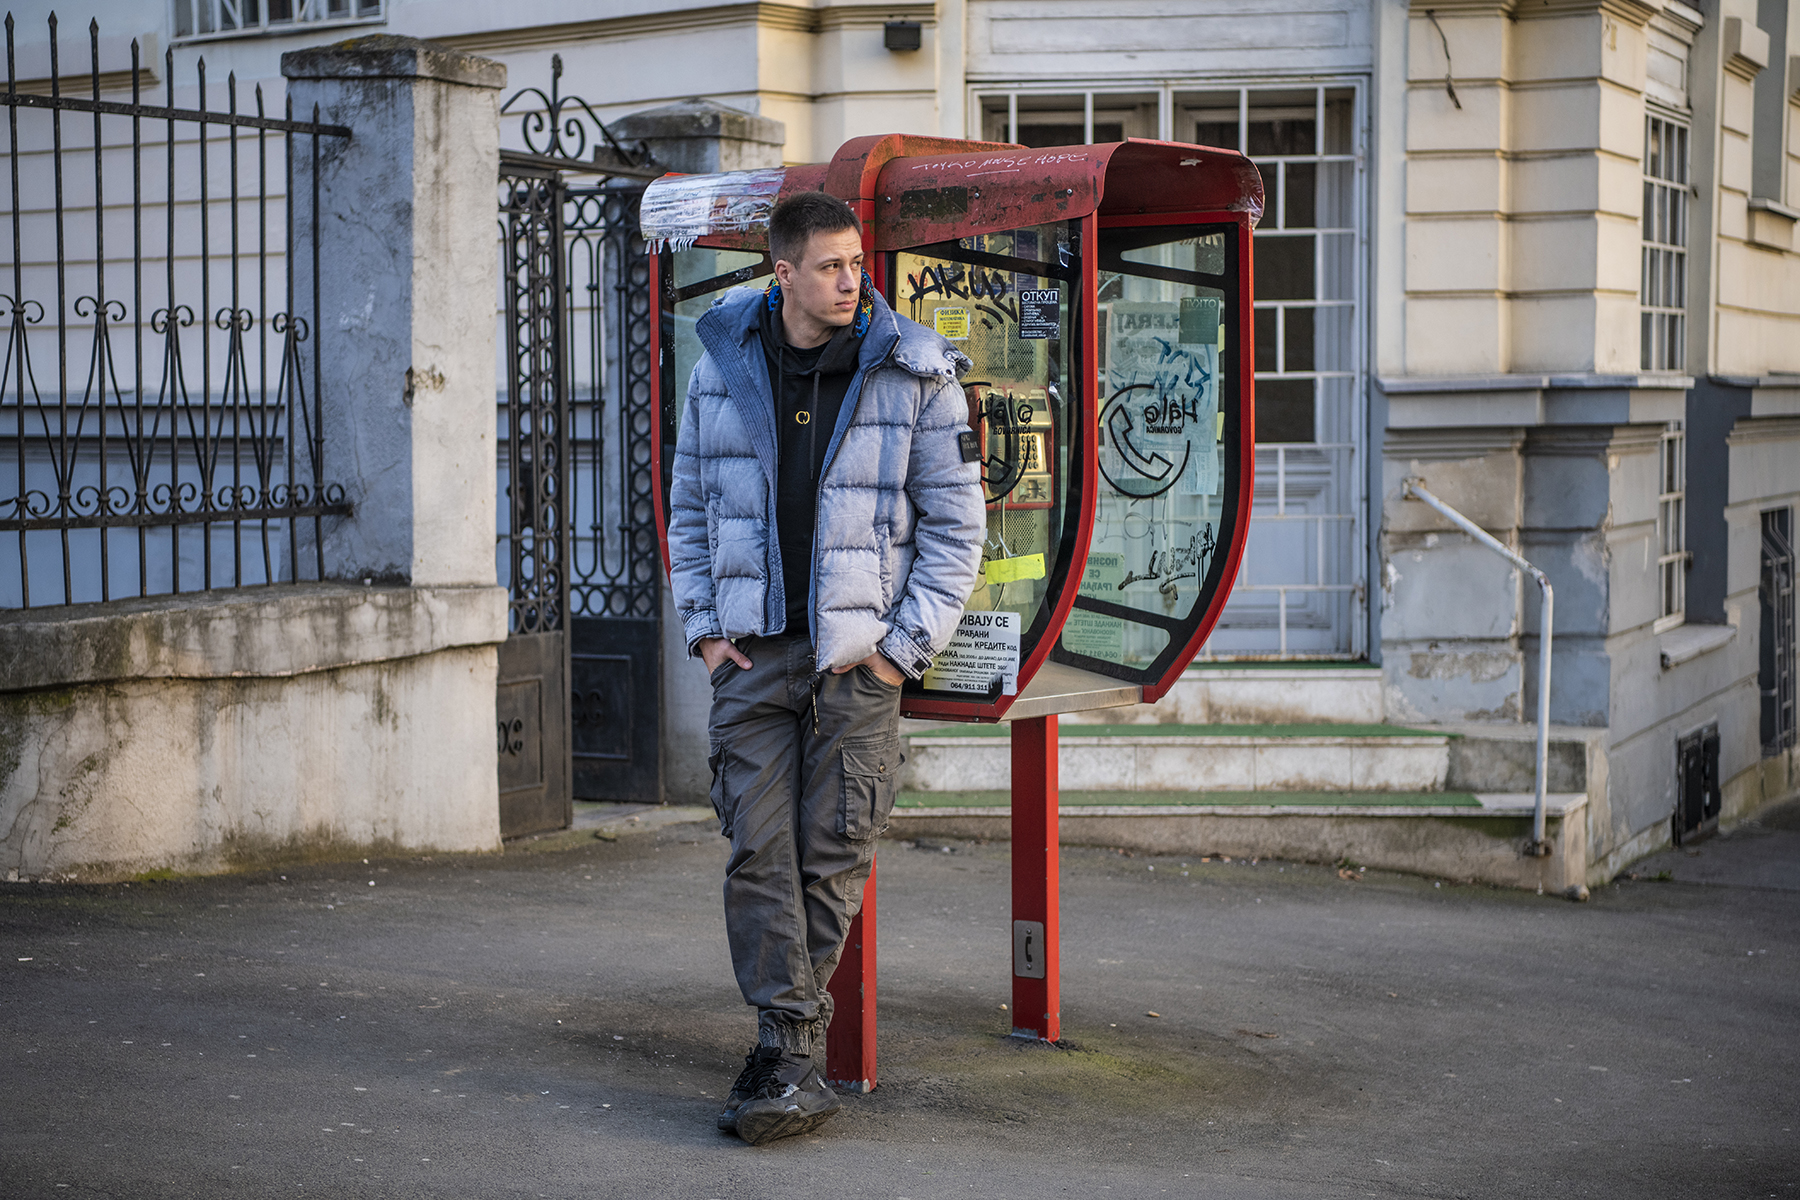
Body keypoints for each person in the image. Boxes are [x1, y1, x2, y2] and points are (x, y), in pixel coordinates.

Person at [666, 191, 985, 1146]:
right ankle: (790, 1052)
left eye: (858, 264)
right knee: (757, 851)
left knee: (830, 852)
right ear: (784, 273)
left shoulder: (917, 371)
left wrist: (899, 654)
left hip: (858, 661)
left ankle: (782, 1055)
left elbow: (956, 531)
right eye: (833, 265)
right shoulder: (721, 366)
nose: (854, 280)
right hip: (752, 652)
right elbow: (688, 511)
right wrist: (706, 635)